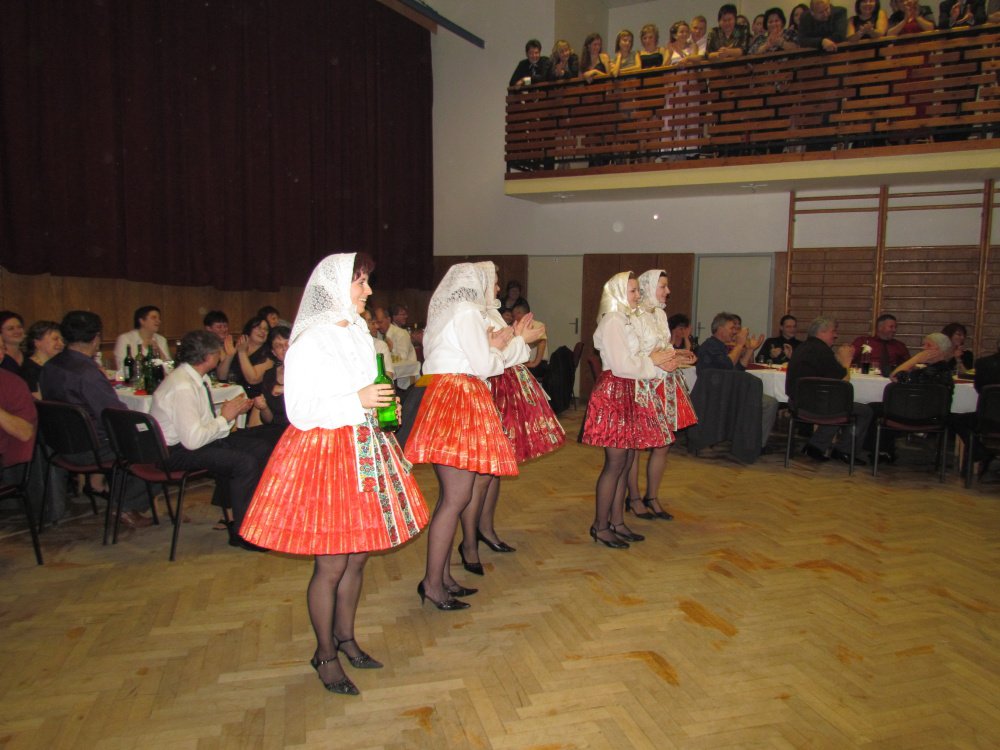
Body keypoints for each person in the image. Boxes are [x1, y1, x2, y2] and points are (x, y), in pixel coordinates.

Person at [240, 253, 428, 696]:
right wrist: (358, 399)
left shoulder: (359, 331)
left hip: (365, 446)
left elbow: (370, 390)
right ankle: (324, 653)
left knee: (358, 555)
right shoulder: (310, 340)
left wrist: (384, 407)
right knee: (331, 563)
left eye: (367, 282)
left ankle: (345, 636)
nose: (368, 291)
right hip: (325, 453)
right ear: (333, 288)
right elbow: (300, 411)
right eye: (360, 282)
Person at [404, 263, 540, 609]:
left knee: (454, 498)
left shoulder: (458, 311)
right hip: (459, 397)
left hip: (453, 395)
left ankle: (442, 577)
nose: (496, 288)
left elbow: (478, 357)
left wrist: (498, 343)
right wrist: (512, 343)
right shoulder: (466, 311)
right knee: (455, 499)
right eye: (493, 281)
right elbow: (485, 365)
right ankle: (432, 583)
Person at [464, 262, 563, 559]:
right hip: (488, 391)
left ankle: (485, 529)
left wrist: (519, 336)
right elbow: (489, 359)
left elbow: (506, 352)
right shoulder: (470, 316)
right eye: (494, 282)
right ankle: (469, 541)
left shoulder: (491, 312)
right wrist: (520, 339)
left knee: (495, 471)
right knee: (482, 474)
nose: (498, 288)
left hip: (503, 390)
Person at [150, 330, 273, 549]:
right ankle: (243, 533)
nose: (221, 356)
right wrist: (225, 418)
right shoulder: (183, 386)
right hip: (173, 451)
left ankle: (247, 518)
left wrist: (229, 415)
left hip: (191, 443)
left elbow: (203, 427)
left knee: (260, 447)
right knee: (243, 462)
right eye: (218, 352)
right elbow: (193, 440)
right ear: (208, 357)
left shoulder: (197, 378)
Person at [581, 272, 678, 549]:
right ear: (617, 293)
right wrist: (653, 361)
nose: (638, 296)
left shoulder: (625, 318)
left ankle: (617, 522)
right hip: (615, 392)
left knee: (624, 463)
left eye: (637, 290)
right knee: (614, 465)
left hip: (629, 390)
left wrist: (655, 361)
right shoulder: (613, 320)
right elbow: (622, 365)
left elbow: (635, 359)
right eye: (633, 291)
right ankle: (600, 526)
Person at [39, 311, 154, 526]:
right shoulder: (86, 373)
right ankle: (126, 506)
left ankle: (113, 492)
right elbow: (113, 415)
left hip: (58, 443)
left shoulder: (50, 366)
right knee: (155, 445)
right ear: (96, 339)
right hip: (89, 448)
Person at [625, 270, 697, 521]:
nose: (668, 291)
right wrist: (661, 359)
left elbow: (663, 347)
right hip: (642, 384)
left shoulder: (660, 313)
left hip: (663, 383)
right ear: (649, 287)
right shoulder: (634, 315)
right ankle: (634, 497)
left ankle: (652, 496)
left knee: (663, 443)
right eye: (663, 286)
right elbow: (631, 354)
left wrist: (678, 355)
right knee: (635, 445)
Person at [786, 316, 872, 464]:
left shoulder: (803, 348)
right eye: (833, 331)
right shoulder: (823, 351)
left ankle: (815, 446)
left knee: (837, 405)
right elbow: (843, 383)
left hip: (798, 403)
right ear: (822, 332)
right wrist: (847, 362)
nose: (836, 335)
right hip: (815, 405)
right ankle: (844, 451)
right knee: (864, 411)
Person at [696, 312, 779, 451]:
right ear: (720, 329)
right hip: (718, 395)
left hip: (730, 391)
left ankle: (753, 442)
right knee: (768, 403)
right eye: (732, 328)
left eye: (736, 329)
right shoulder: (710, 346)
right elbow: (728, 364)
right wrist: (740, 345)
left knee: (769, 401)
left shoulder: (722, 346)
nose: (735, 332)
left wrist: (750, 350)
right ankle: (754, 444)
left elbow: (738, 370)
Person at [251, 325, 292, 436]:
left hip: (299, 429)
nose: (284, 348)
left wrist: (284, 389)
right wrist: (264, 407)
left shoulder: (307, 371)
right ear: (274, 352)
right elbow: (269, 419)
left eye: (287, 343)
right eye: (278, 346)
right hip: (276, 429)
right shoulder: (269, 375)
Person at [114, 305, 170, 371]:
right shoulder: (125, 339)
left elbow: (169, 368)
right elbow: (122, 367)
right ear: (142, 321)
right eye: (154, 318)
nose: (158, 321)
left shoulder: (161, 340)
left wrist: (158, 351)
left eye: (159, 318)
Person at [20, 321, 64, 397]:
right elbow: (37, 401)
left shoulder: (58, 365)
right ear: (37, 343)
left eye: (62, 340)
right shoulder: (29, 370)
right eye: (55, 339)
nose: (62, 344)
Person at [232, 315, 272, 394]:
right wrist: (229, 355)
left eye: (266, 329)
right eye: (259, 328)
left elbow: (253, 379)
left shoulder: (270, 354)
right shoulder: (238, 346)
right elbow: (222, 376)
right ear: (249, 329)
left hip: (254, 396)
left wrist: (242, 352)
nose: (263, 331)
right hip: (232, 391)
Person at [383, 306, 420, 391]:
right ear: (394, 317)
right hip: (397, 379)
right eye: (402, 314)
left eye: (405, 314)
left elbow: (402, 357)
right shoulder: (381, 333)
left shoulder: (401, 333)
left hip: (407, 380)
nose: (406, 316)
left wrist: (389, 350)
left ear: (389, 319)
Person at [511, 302, 547, 378]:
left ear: (526, 314)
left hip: (537, 364)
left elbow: (542, 341)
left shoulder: (538, 325)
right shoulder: (514, 327)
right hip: (521, 364)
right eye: (513, 315)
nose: (515, 317)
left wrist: (535, 363)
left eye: (518, 313)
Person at [203, 310, 237, 381]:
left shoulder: (234, 345)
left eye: (225, 326)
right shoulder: (204, 347)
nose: (223, 329)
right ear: (208, 329)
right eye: (219, 327)